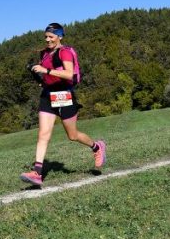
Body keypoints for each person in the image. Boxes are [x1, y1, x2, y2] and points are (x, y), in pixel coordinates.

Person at [20, 23, 106, 188]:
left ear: (60, 36)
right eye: (46, 36)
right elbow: (46, 75)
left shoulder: (65, 52)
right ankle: (37, 173)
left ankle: (97, 147)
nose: (47, 40)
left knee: (72, 135)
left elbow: (69, 74)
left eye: (51, 36)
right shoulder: (45, 53)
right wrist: (38, 76)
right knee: (43, 134)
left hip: (64, 95)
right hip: (47, 95)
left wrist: (47, 71)